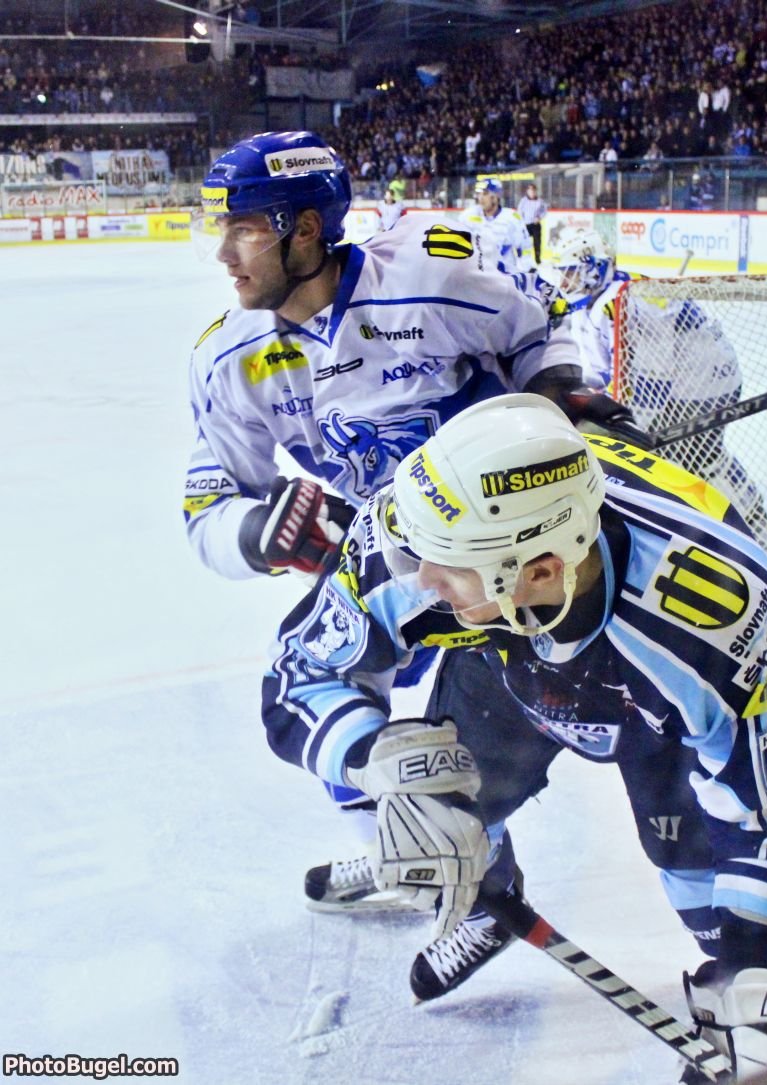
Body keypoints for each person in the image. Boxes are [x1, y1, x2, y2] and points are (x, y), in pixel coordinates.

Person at [261, 394, 767, 1078]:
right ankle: (487, 909)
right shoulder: (420, 523)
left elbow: (763, 819)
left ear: (539, 569)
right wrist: (373, 757)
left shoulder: (723, 619)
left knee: (704, 885)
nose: (419, 578)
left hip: (650, 704)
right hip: (498, 649)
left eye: (445, 562)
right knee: (448, 802)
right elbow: (296, 675)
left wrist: (750, 976)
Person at [183, 128, 637, 904]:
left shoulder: (430, 272)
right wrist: (260, 532)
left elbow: (541, 323)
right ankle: (415, 850)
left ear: (306, 228)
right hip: (399, 556)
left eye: (245, 231)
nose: (224, 255)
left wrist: (558, 390)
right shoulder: (229, 360)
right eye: (219, 230)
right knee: (322, 691)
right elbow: (207, 507)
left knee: (634, 702)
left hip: (508, 543)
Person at [542, 230, 767, 549]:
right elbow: (601, 371)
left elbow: (653, 381)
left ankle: (753, 524)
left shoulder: (633, 303)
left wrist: (632, 427)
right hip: (681, 383)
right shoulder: (598, 301)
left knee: (701, 458)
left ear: (595, 268)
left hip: (703, 383)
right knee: (686, 458)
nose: (565, 281)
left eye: (571, 272)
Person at [459, 177, 532, 273]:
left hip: (504, 275)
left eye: (485, 194)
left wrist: (523, 272)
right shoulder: (468, 216)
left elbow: (524, 248)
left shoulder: (512, 218)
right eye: (478, 194)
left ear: (496, 196)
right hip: (477, 274)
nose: (481, 198)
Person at [516, 181, 547, 264]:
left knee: (537, 243)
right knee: (523, 242)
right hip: (525, 225)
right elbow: (519, 212)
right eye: (530, 190)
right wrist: (522, 222)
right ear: (527, 191)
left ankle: (537, 259)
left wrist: (539, 217)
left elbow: (544, 211)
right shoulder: (523, 201)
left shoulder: (540, 201)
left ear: (535, 191)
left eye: (533, 190)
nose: (532, 192)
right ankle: (522, 258)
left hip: (535, 225)